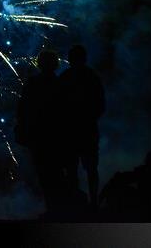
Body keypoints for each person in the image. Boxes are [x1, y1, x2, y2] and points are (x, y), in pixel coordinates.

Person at [15, 49, 65, 215]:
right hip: (56, 136)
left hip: (39, 136)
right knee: (57, 172)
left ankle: (53, 208)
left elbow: (23, 110)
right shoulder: (60, 84)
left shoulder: (33, 83)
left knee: (44, 173)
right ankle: (58, 208)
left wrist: (22, 131)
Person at [60, 45, 105, 209]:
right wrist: (89, 118)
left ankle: (77, 202)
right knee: (90, 168)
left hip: (72, 131)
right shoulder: (92, 76)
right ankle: (93, 201)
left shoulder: (65, 77)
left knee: (73, 169)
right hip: (87, 130)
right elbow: (101, 104)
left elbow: (58, 107)